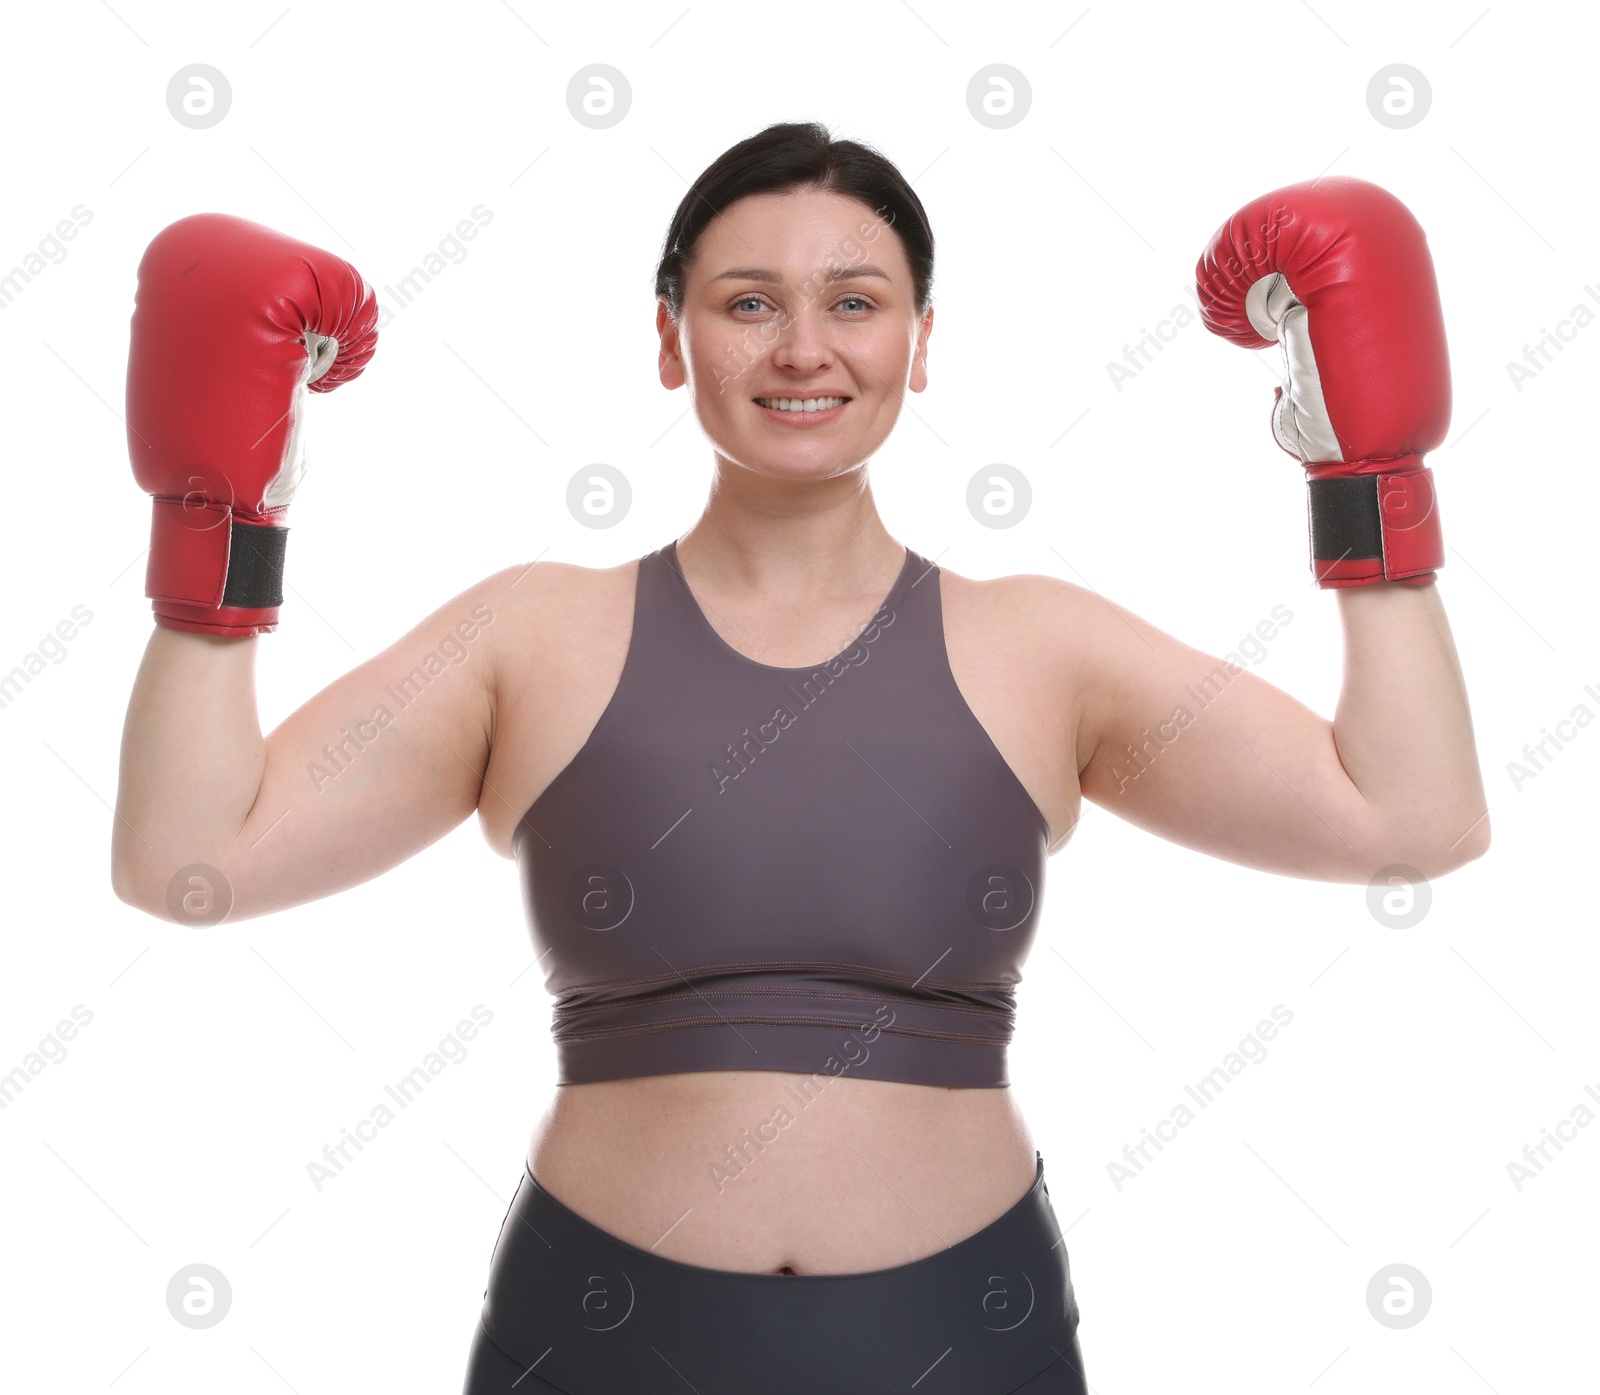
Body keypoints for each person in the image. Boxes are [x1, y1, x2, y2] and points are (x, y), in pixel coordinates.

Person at [111, 122, 1490, 1394]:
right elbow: (190, 861)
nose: (802, 348)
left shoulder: (1039, 647)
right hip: (602, 1330)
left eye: (855, 301)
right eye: (748, 301)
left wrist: (1363, 490)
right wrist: (224, 527)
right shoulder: (530, 633)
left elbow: (1411, 821)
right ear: (672, 337)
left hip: (964, 1332)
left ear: (922, 342)